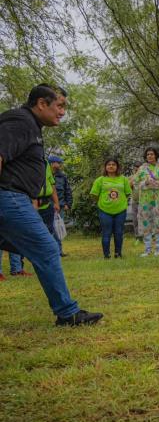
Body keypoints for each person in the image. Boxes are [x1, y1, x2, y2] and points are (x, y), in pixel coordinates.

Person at [0, 85, 103, 325]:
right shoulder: (20, 121)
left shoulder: (30, 125)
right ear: (41, 104)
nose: (63, 112)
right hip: (8, 197)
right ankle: (67, 314)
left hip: (17, 198)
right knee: (47, 248)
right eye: (60, 106)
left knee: (39, 247)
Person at [133, 147, 159, 256]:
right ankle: (147, 249)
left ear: (156, 155)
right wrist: (145, 183)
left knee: (158, 223)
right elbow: (135, 184)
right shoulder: (142, 169)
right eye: (148, 155)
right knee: (146, 223)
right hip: (145, 200)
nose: (150, 156)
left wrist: (157, 183)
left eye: (152, 154)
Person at [90, 158, 132, 259]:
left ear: (117, 167)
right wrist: (102, 203)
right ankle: (106, 255)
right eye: (109, 164)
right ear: (105, 167)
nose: (111, 166)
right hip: (104, 210)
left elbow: (128, 193)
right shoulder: (100, 180)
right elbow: (94, 195)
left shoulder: (123, 179)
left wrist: (120, 202)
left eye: (113, 164)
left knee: (119, 232)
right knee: (106, 232)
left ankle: (118, 254)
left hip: (120, 210)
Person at [50, 155, 72, 256]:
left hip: (60, 206)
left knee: (58, 228)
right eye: (58, 163)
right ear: (52, 163)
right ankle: (49, 250)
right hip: (46, 206)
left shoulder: (62, 176)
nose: (59, 165)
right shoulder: (44, 174)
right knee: (48, 228)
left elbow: (67, 190)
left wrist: (68, 203)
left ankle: (59, 251)